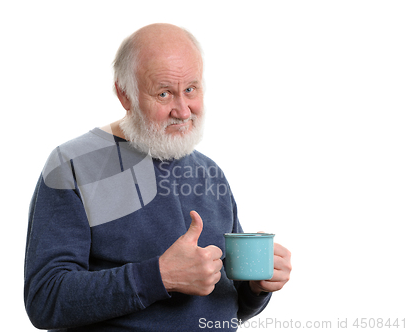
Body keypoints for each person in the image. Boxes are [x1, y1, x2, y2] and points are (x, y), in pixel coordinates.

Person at [24, 23, 292, 331]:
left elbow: (227, 304)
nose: (182, 110)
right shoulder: (72, 165)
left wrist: (257, 286)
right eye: (164, 93)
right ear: (125, 95)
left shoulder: (210, 172)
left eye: (190, 89)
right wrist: (161, 276)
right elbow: (44, 300)